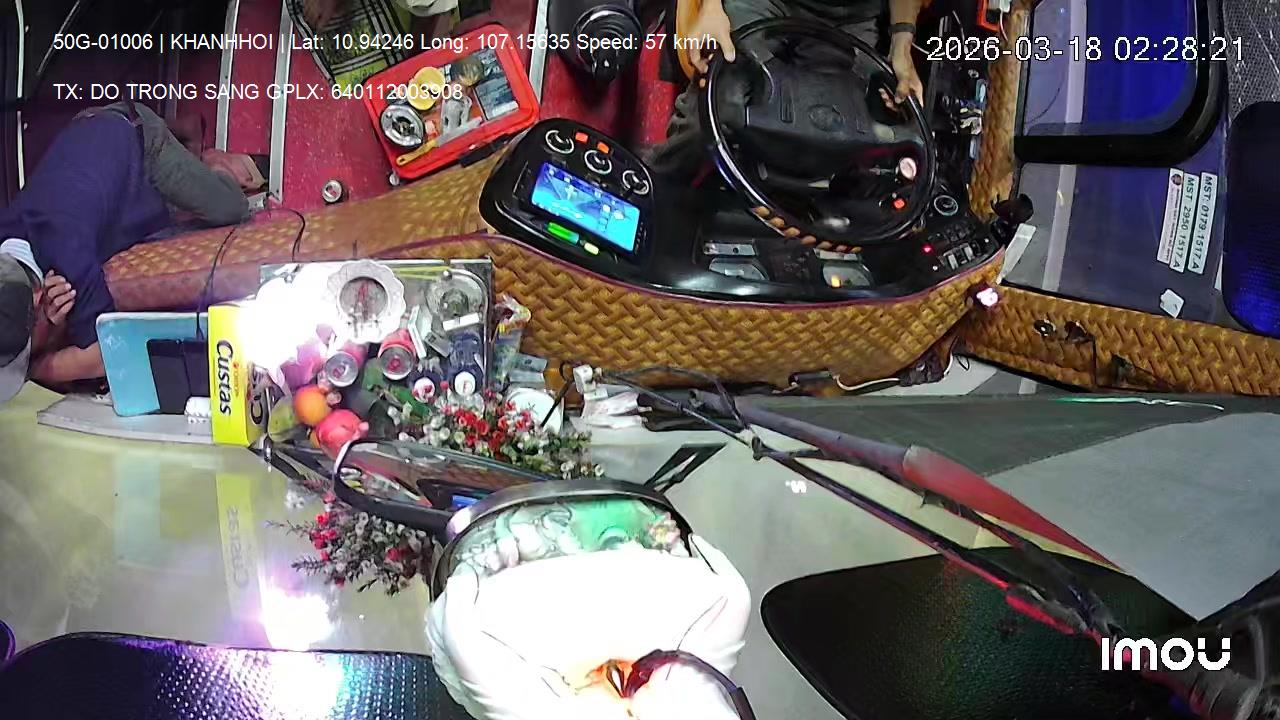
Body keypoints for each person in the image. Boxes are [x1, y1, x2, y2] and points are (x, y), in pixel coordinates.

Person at [0, 102, 263, 403]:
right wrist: (51, 330)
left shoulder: (67, 255)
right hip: (89, 140)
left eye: (29, 349)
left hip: (137, 139)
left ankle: (212, 163)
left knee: (231, 208)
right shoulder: (8, 253)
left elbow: (108, 355)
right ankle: (184, 131)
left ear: (39, 300)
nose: (30, 355)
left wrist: (36, 369)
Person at [653, 0, 927, 175]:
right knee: (718, 103)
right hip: (765, 2)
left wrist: (901, 46)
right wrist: (711, 8)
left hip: (852, 20)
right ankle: (659, 183)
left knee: (851, 136)